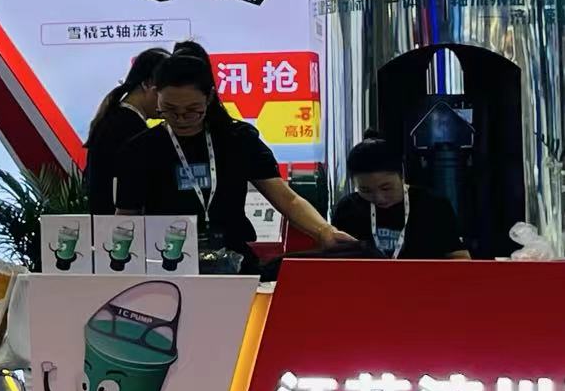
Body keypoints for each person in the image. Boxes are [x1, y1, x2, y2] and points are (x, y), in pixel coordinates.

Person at [115, 56, 348, 269]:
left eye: (192, 110)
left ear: (209, 97)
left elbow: (288, 200)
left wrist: (324, 231)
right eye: (169, 110)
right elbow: (126, 215)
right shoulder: (140, 149)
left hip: (234, 261)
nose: (181, 119)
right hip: (167, 263)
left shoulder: (238, 139)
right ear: (156, 95)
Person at [328, 134, 471, 259]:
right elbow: (332, 261)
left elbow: (460, 258)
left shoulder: (433, 206)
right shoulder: (348, 209)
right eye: (365, 190)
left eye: (386, 188)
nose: (379, 198)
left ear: (402, 175)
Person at [84, 47, 168, 214]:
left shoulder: (114, 118)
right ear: (147, 84)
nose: (170, 99)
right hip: (121, 224)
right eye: (165, 90)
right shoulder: (130, 128)